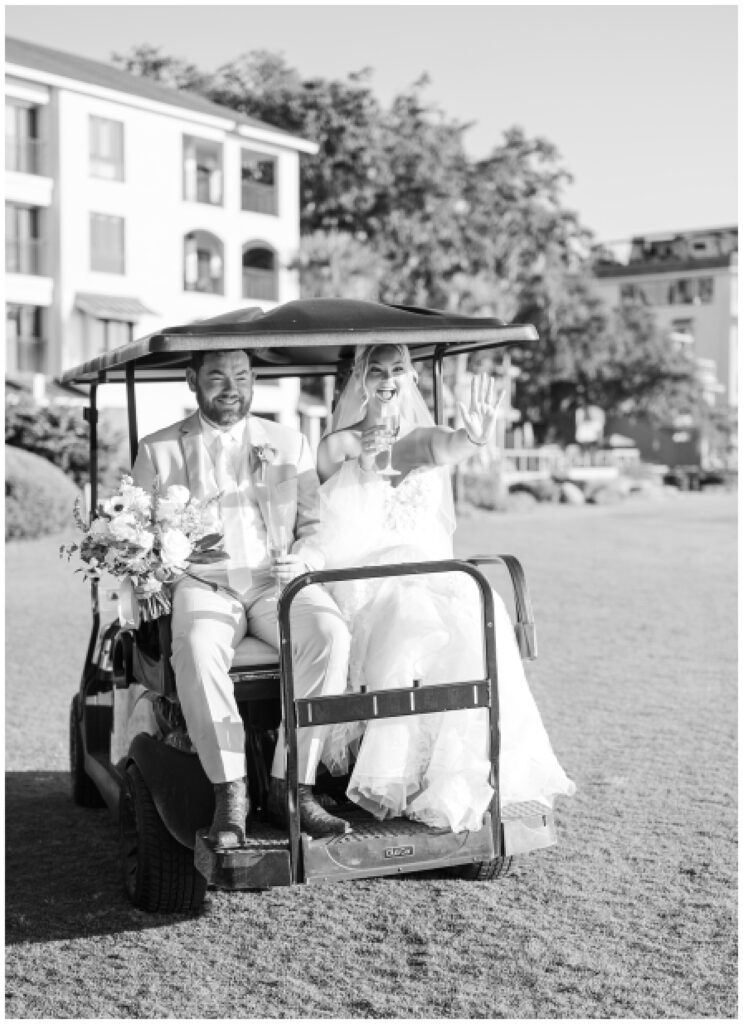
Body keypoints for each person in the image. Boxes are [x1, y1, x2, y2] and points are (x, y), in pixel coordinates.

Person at [313, 343, 575, 833]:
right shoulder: (336, 444)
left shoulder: (425, 438)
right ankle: (398, 776)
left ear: (411, 377)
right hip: (361, 577)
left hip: (426, 572)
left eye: (398, 369)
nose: (388, 379)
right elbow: (323, 509)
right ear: (359, 378)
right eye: (376, 370)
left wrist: (475, 436)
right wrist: (361, 457)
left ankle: (461, 772)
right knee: (410, 616)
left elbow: (451, 446)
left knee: (475, 605)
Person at [132, 348, 352, 847]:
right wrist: (159, 570)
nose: (231, 386)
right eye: (217, 376)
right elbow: (138, 539)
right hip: (203, 583)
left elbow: (315, 529)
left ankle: (290, 785)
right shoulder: (158, 449)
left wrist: (303, 559)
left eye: (243, 375)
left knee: (330, 636)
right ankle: (230, 792)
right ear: (192, 379)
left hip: (276, 582)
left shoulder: (287, 441)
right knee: (198, 647)